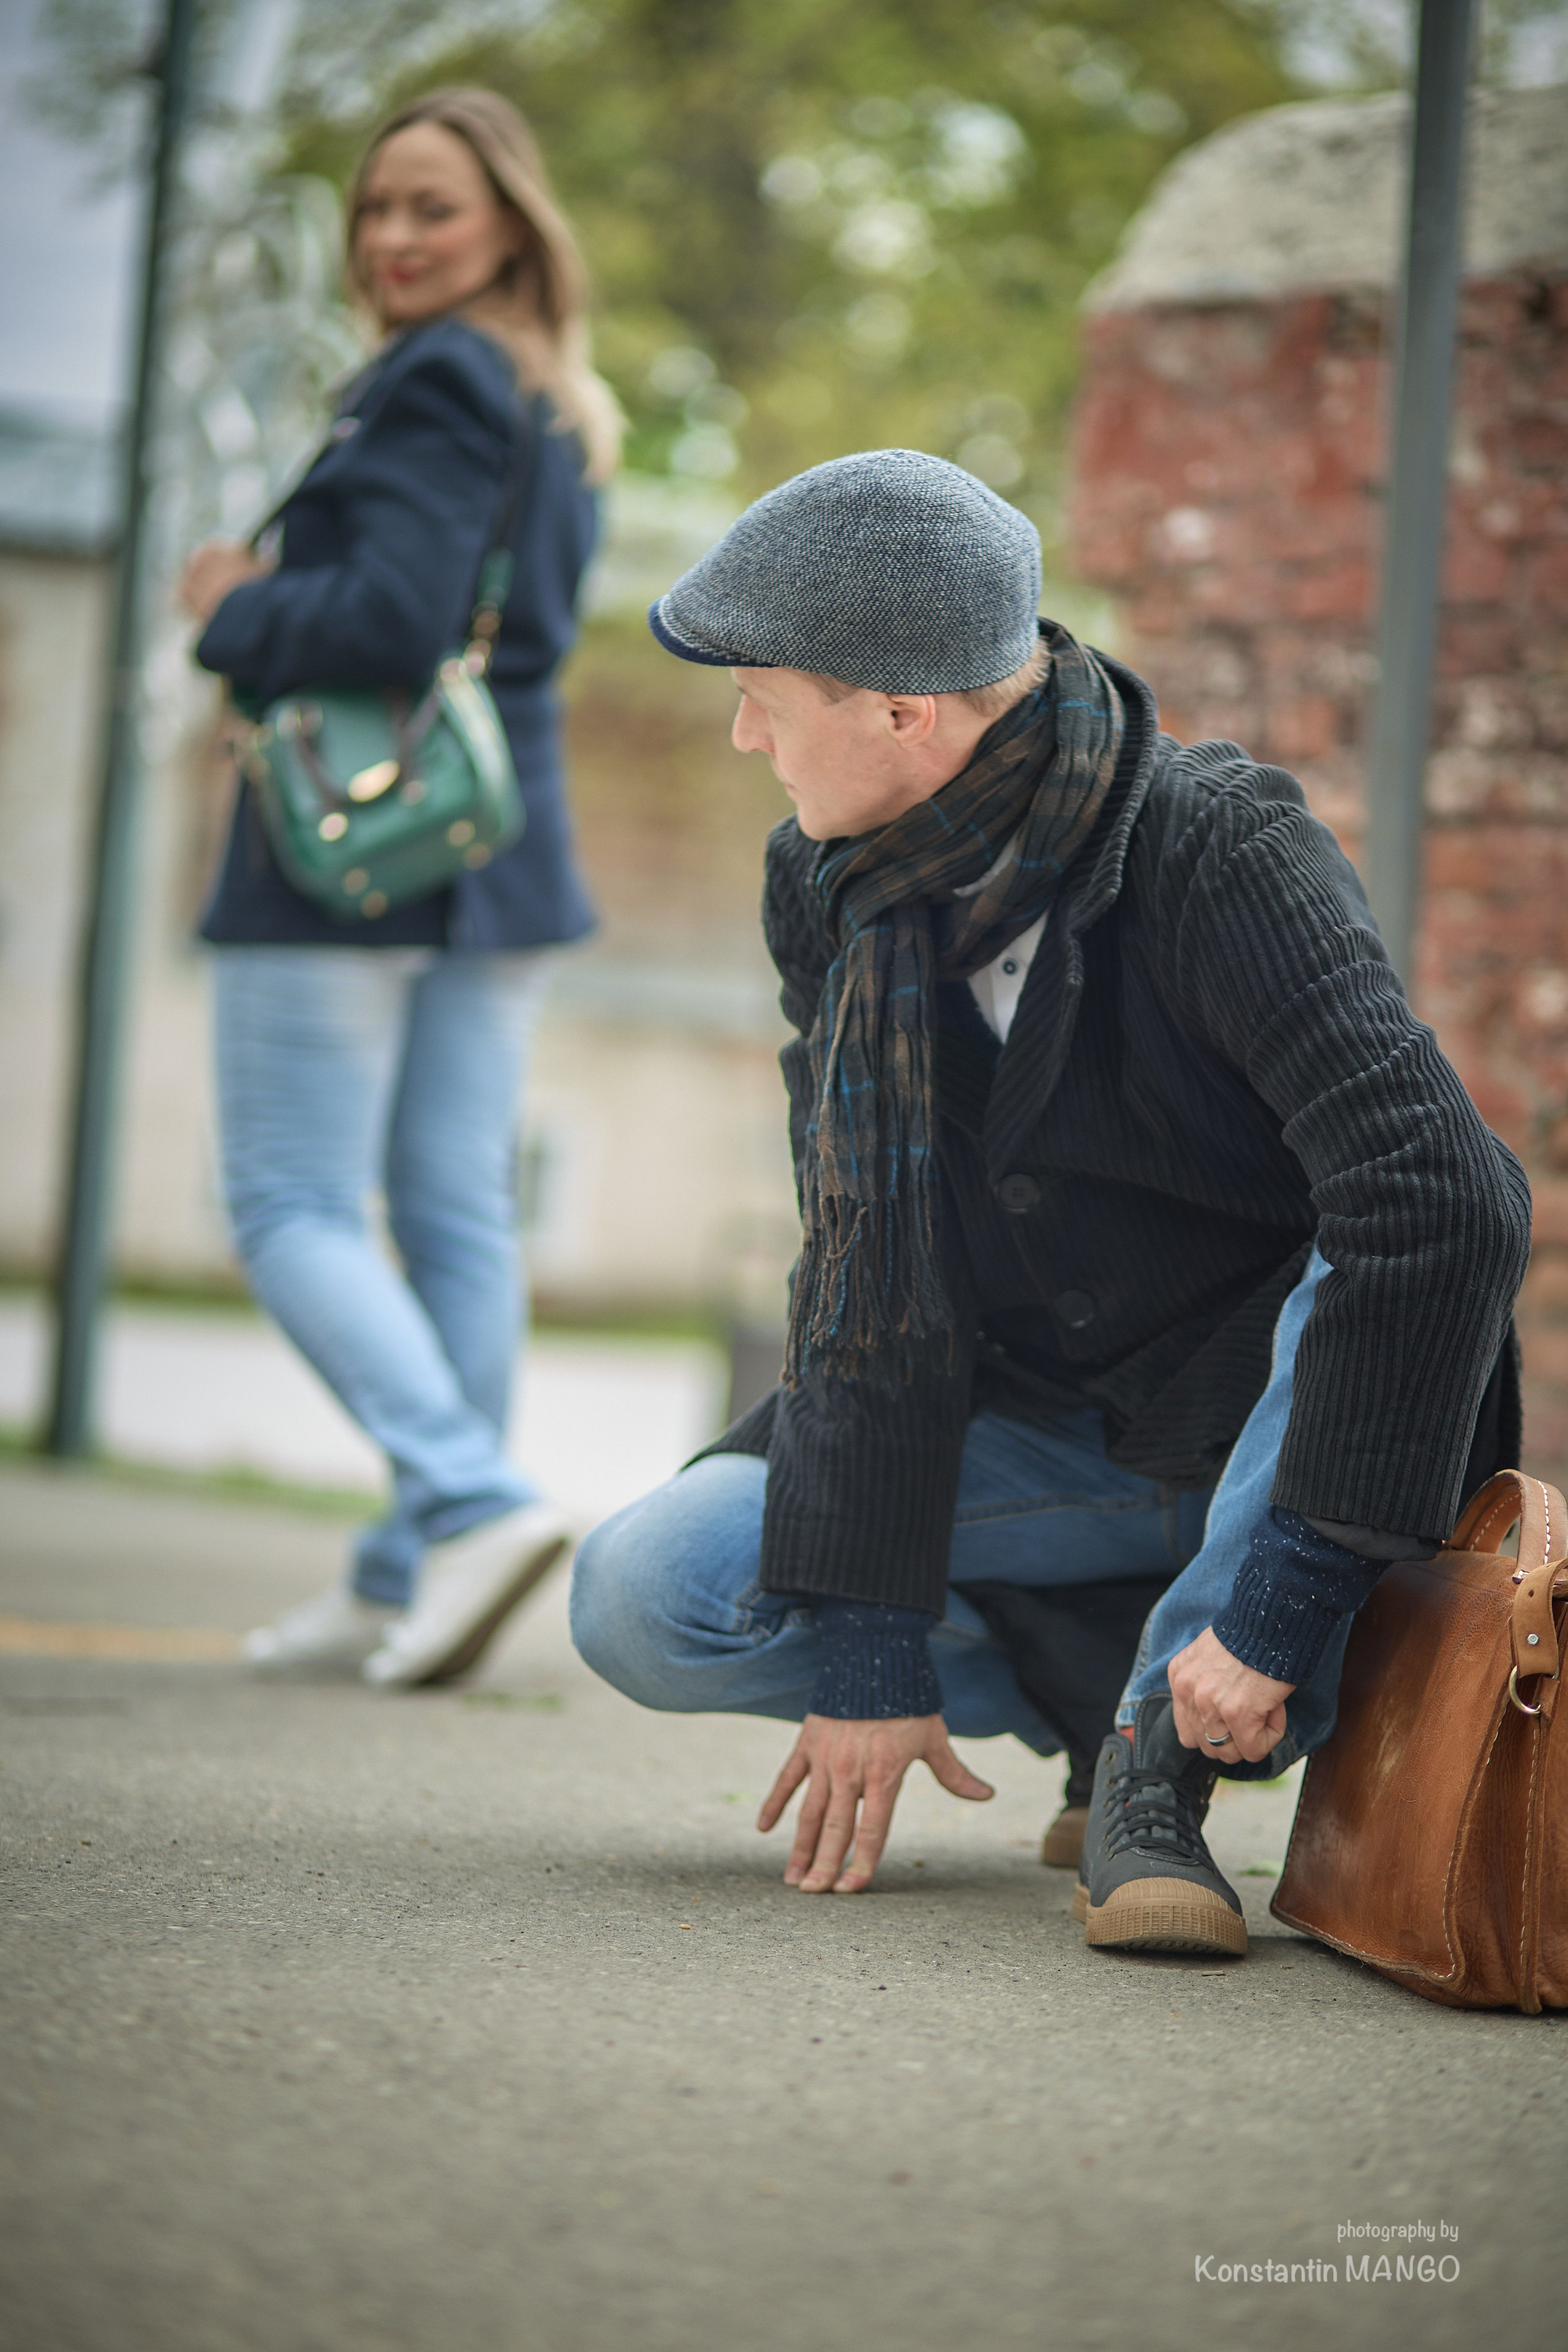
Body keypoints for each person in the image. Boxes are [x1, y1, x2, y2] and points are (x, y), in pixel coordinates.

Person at [569, 449, 1530, 1960]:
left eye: (763, 697)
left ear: (905, 712)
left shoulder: (1214, 848)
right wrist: (870, 1641)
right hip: (1040, 1432)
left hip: (1266, 1440)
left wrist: (1275, 1610)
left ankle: (1160, 1746)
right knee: (645, 1592)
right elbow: (864, 1259)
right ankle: (1099, 1686)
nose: (744, 737)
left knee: (1364, 1234)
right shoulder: (823, 886)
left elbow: (1443, 1202)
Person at [179, 88, 622, 1689]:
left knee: (291, 1199)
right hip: (494, 843)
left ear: (510, 223)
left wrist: (234, 610)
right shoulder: (554, 397)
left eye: (431, 207)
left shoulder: (432, 378)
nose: (391, 237)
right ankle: (402, 1583)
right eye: (375, 208)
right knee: (452, 1215)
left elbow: (390, 619)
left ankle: (469, 1501)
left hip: (354, 840)